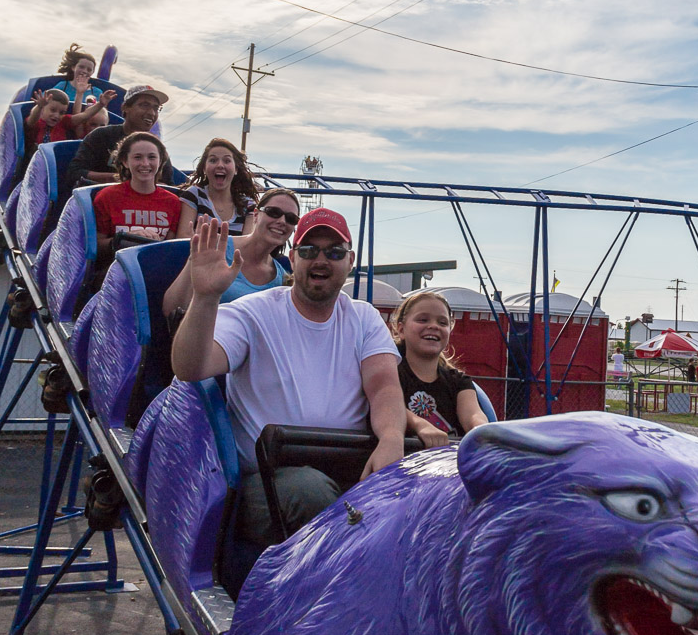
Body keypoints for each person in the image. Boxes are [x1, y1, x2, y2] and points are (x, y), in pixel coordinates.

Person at [171, 208, 405, 547]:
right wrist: (206, 298)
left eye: (334, 252)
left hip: (348, 468)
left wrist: (392, 440)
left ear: (350, 260)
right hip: (268, 482)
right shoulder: (253, 312)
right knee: (312, 494)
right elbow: (190, 367)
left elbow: (384, 385)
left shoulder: (363, 317)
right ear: (292, 258)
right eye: (309, 251)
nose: (321, 260)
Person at [164, 188, 299, 317]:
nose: (282, 221)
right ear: (256, 215)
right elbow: (171, 309)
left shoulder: (283, 280)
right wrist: (193, 261)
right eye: (273, 212)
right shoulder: (215, 248)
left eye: (291, 219)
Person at [390, 291, 488, 447]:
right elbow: (387, 406)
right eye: (423, 320)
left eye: (442, 323)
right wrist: (420, 425)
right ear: (401, 329)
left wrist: (482, 430)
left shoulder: (459, 381)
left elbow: (472, 414)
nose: (433, 326)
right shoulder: (389, 373)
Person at [92, 133, 181, 279]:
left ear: (161, 161)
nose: (145, 163)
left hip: (158, 273)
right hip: (115, 273)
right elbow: (95, 246)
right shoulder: (106, 197)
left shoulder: (173, 202)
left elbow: (171, 248)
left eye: (152, 157)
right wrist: (126, 239)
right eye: (138, 157)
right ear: (125, 161)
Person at [65, 85, 175, 187]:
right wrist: (119, 179)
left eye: (156, 108)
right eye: (145, 105)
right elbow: (75, 172)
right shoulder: (101, 135)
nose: (152, 113)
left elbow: (168, 184)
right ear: (125, 107)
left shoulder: (157, 147)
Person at [176, 138, 258, 237]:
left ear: (236, 169)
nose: (220, 165)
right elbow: (182, 237)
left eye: (227, 161)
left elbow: (247, 244)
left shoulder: (249, 205)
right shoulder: (194, 195)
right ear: (204, 168)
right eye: (213, 160)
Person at [25, 87, 116, 147]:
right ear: (43, 109)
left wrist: (100, 104)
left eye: (62, 112)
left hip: (57, 157)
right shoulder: (37, 121)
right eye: (53, 110)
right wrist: (39, 107)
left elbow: (84, 116)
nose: (57, 115)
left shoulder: (63, 122)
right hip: (36, 157)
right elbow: (32, 120)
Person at [53, 43, 103, 115]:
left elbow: (101, 115)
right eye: (81, 67)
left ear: (92, 72)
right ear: (73, 67)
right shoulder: (62, 86)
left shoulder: (97, 92)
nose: (85, 71)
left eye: (89, 70)